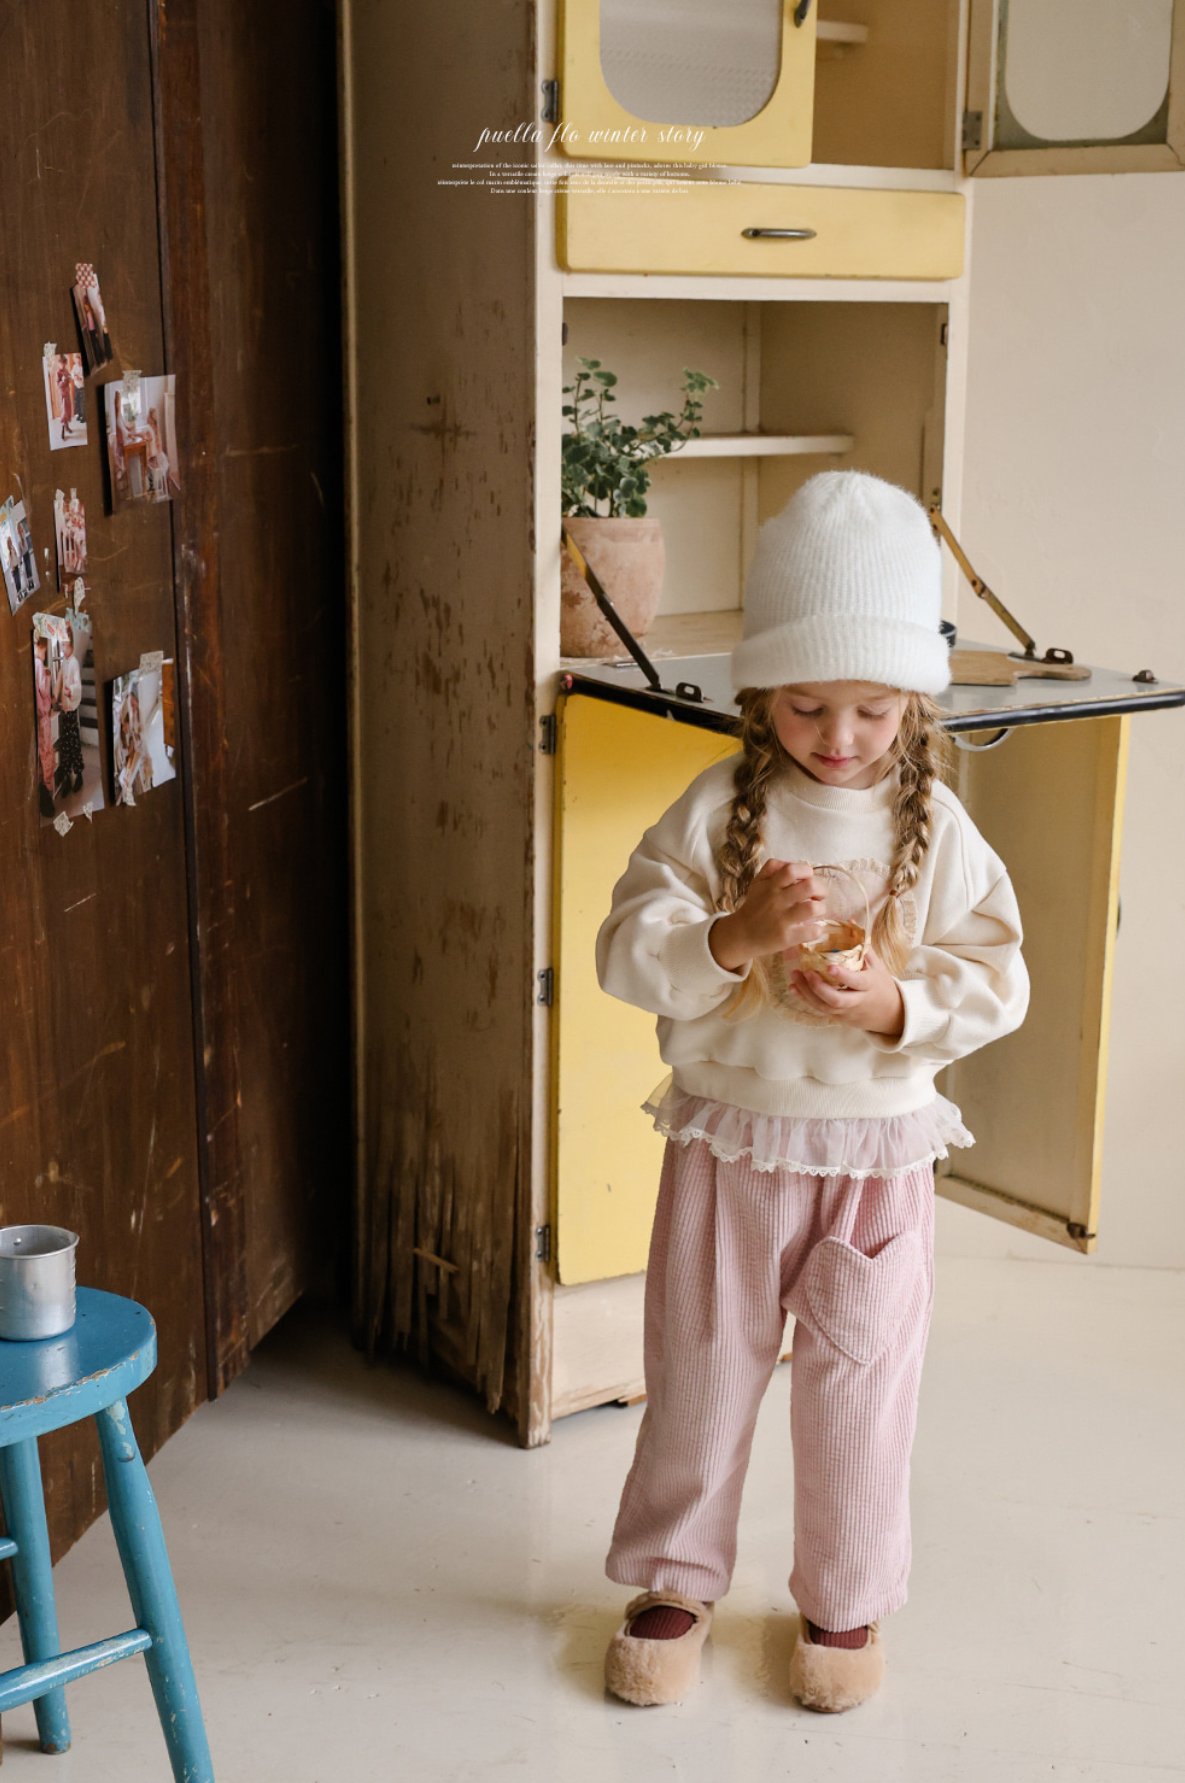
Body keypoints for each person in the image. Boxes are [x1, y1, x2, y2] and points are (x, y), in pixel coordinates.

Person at [595, 471, 1029, 1715]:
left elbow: (999, 975)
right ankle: (676, 1577)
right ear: (761, 693)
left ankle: (846, 1595)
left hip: (875, 1155)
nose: (840, 735)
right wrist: (734, 934)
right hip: (730, 1146)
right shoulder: (716, 810)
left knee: (861, 1387)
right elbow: (626, 949)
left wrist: (895, 1004)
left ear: (912, 701)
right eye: (807, 704)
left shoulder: (938, 829)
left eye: (873, 708)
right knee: (701, 1371)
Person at [54, 622, 85, 797]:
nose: (63, 648)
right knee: (65, 746)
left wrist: (70, 691)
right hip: (65, 711)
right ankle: (66, 778)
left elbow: (77, 685)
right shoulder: (64, 663)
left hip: (72, 711)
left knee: (73, 746)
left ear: (71, 645)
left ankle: (78, 775)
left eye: (65, 645)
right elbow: (59, 679)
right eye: (62, 645)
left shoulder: (74, 663)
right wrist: (54, 695)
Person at [34, 633, 56, 818]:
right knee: (47, 753)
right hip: (43, 716)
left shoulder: (30, 664)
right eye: (44, 651)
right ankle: (48, 790)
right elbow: (44, 690)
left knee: (40, 755)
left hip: (35, 717)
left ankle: (42, 790)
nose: (44, 654)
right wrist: (48, 677)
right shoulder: (39, 665)